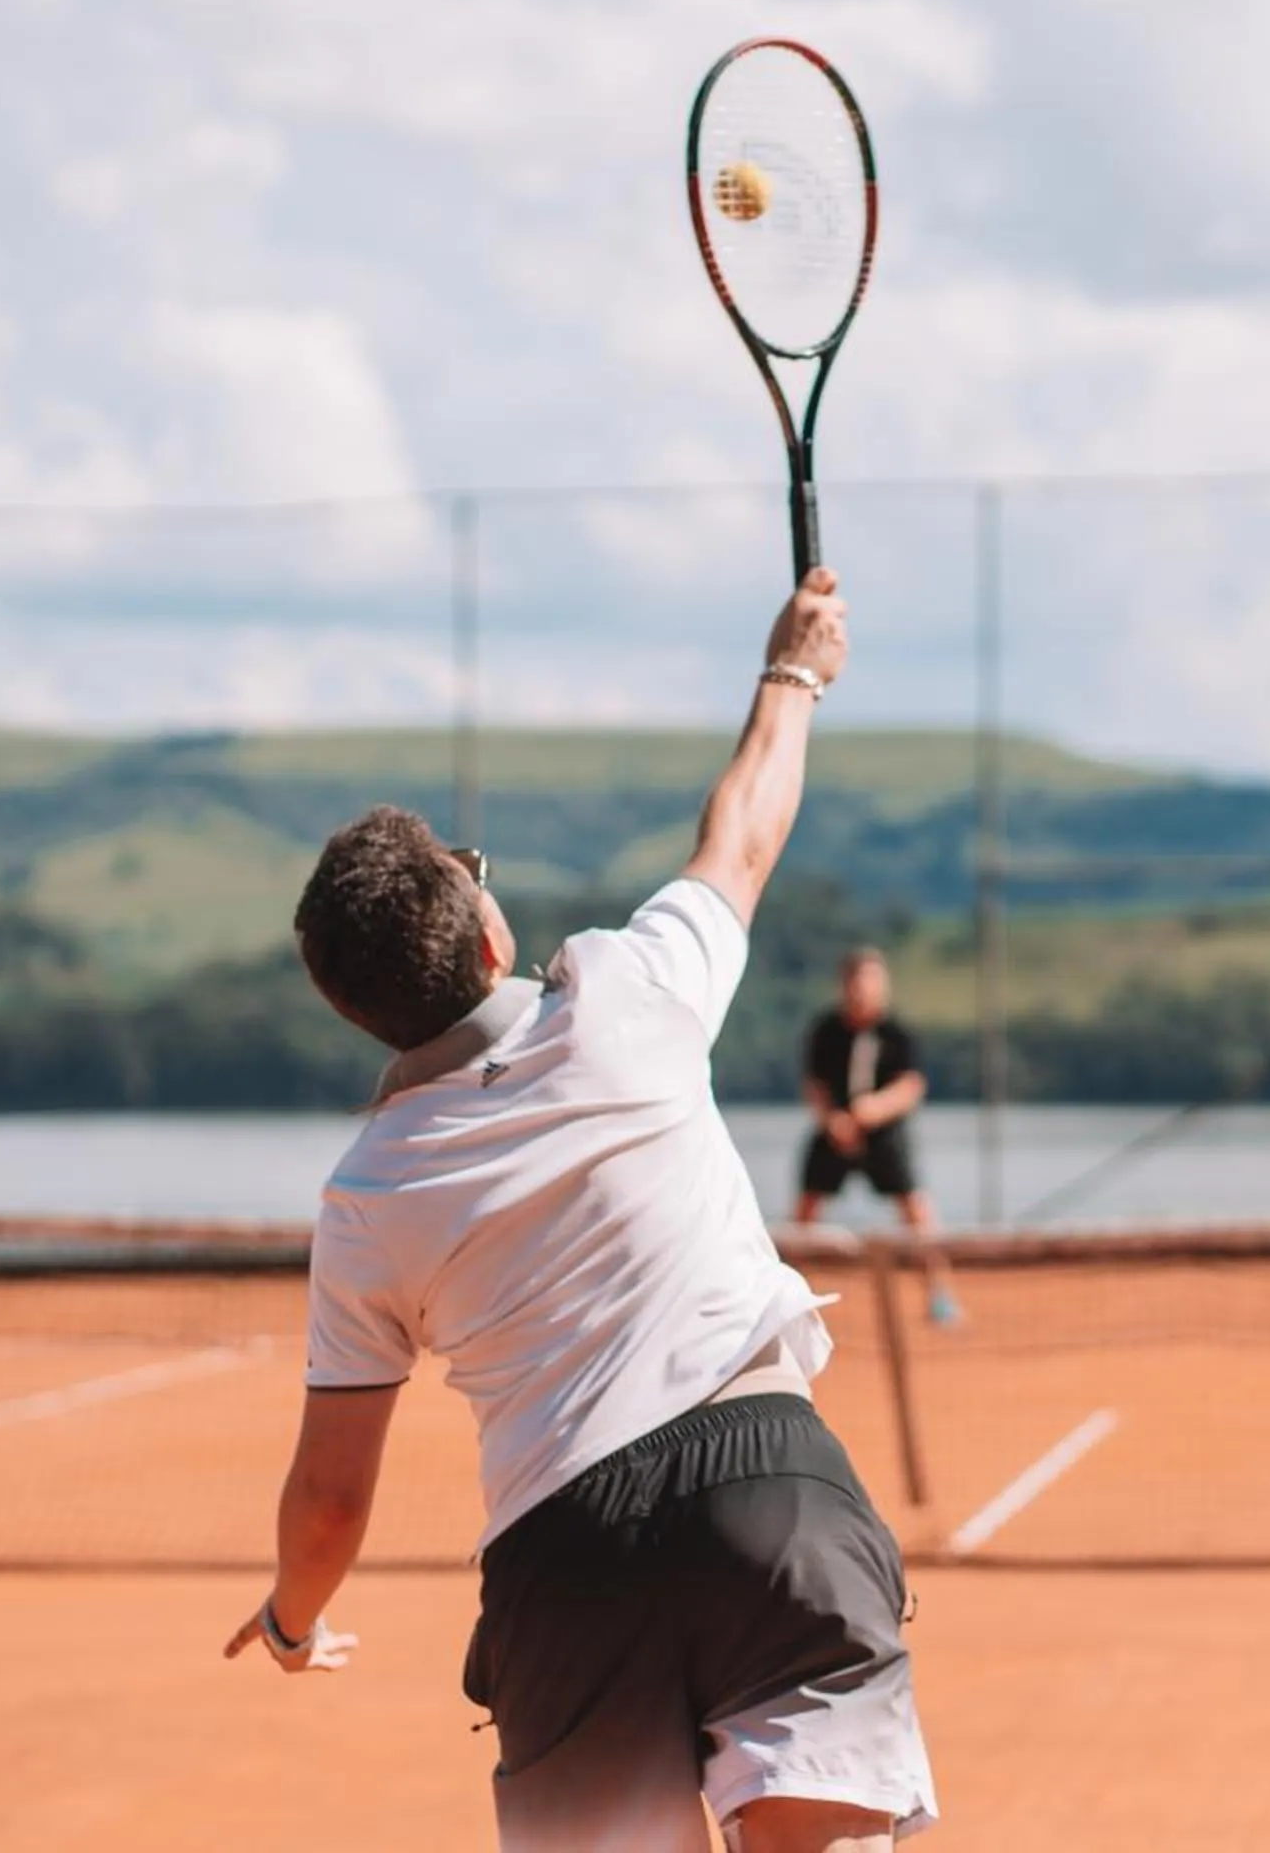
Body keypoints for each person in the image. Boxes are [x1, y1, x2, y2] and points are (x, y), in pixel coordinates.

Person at [224, 568, 936, 1853]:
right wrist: (796, 670)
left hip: (565, 1566)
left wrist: (289, 1617)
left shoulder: (366, 1196)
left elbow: (331, 1498)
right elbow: (745, 833)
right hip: (767, 1490)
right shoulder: (626, 991)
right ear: (491, 935)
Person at [794, 949, 959, 1325]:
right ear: (844, 984)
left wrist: (874, 1110)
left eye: (871, 979)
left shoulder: (897, 1033)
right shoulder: (826, 1031)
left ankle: (940, 1295)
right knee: (803, 1214)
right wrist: (835, 1120)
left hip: (884, 1136)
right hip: (834, 1132)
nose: (863, 988)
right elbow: (814, 1085)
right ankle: (786, 1299)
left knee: (917, 1211)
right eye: (856, 979)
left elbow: (911, 1085)